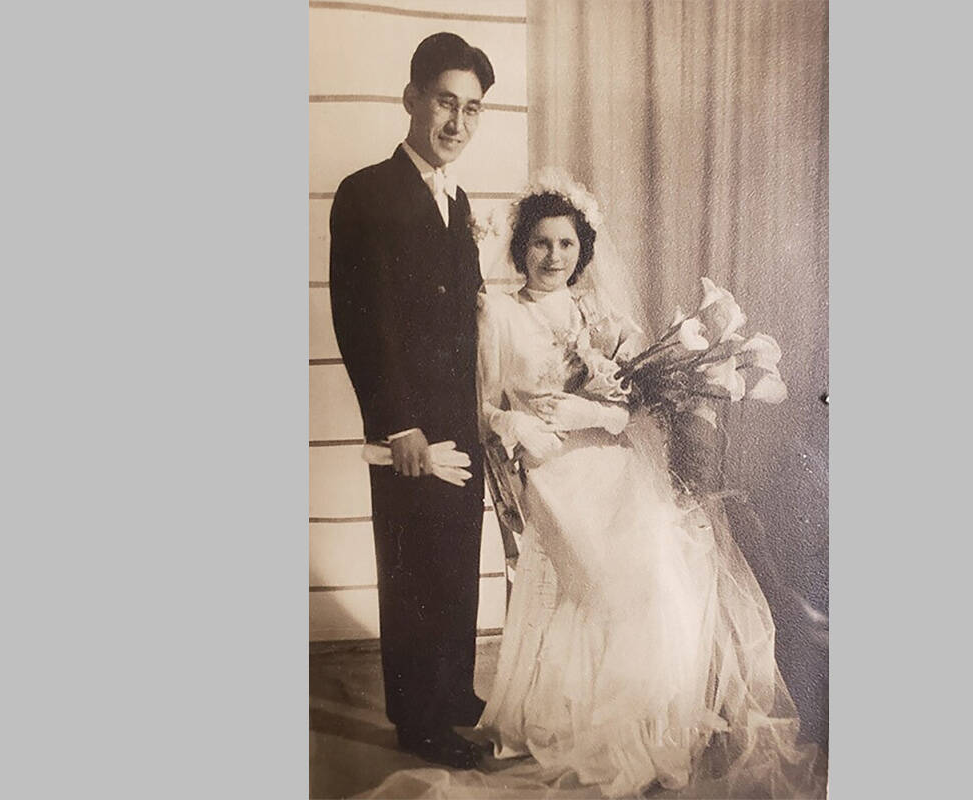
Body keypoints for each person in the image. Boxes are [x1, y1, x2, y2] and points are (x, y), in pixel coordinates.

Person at [405, 172, 820, 798]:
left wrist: (594, 412)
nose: (553, 257)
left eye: (566, 246)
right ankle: (585, 715)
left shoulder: (599, 316)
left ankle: (651, 710)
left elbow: (631, 407)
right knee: (619, 564)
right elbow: (483, 406)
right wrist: (515, 421)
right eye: (541, 243)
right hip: (549, 466)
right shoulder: (499, 314)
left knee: (668, 545)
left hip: (608, 453)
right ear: (521, 247)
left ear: (582, 252)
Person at [327, 32, 494, 770]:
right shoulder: (367, 191)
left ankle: (452, 695)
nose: (457, 122)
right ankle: (418, 720)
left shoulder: (459, 202)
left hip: (461, 419)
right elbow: (358, 317)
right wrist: (397, 424)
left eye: (472, 109)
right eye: (446, 103)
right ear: (412, 100)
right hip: (409, 427)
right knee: (411, 569)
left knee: (456, 557)